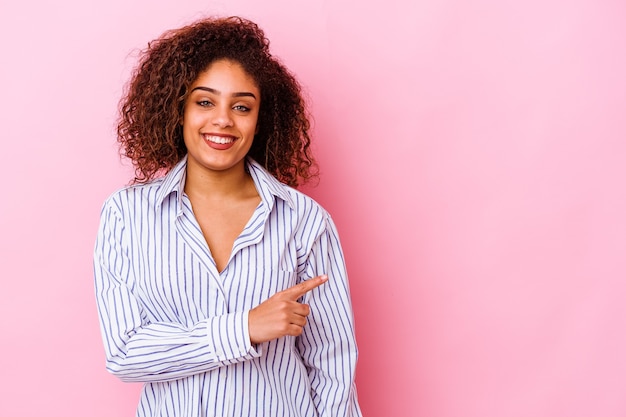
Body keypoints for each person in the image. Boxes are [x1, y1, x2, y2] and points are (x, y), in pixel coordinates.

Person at [93, 16, 362, 417]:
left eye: (241, 106)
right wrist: (244, 328)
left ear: (260, 120)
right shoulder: (126, 216)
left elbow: (333, 365)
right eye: (205, 101)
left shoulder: (304, 221)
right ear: (178, 109)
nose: (223, 120)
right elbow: (126, 352)